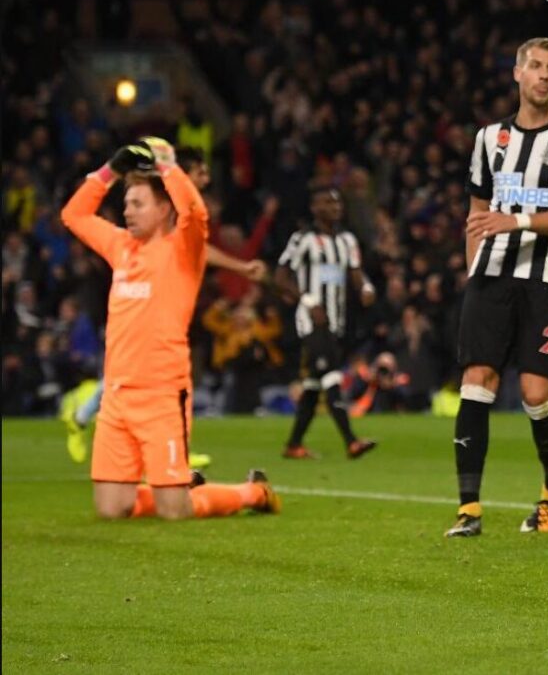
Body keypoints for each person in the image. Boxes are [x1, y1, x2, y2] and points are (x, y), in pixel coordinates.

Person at [59, 138, 279, 519]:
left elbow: (194, 210)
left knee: (174, 512)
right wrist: (109, 172)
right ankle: (175, 483)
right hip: (117, 396)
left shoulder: (182, 250)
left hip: (162, 395)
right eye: (126, 203)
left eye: (138, 204)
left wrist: (166, 166)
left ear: (163, 209)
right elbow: (74, 215)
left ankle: (253, 492)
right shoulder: (120, 246)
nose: (127, 211)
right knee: (112, 509)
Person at [445, 37, 548, 538]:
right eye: (535, 66)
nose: (544, 75)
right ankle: (469, 509)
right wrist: (475, 270)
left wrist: (516, 221)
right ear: (517, 72)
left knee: (536, 391)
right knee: (477, 381)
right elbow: (476, 212)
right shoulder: (489, 138)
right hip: (492, 277)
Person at [275, 186, 378, 459]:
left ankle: (293, 445)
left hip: (336, 319)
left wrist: (366, 287)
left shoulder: (347, 240)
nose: (335, 207)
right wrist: (308, 301)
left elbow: (356, 272)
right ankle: (351, 441)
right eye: (328, 203)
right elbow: (280, 277)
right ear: (314, 208)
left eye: (337, 202)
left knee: (313, 383)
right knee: (331, 373)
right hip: (311, 320)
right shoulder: (302, 239)